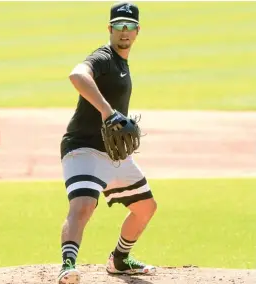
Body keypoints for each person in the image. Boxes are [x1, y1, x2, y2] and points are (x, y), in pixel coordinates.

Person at [57, 2, 157, 283]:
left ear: (137, 31)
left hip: (112, 153)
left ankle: (120, 260)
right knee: (84, 204)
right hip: (83, 146)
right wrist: (108, 111)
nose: (124, 32)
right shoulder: (103, 57)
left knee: (145, 208)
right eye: (118, 26)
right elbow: (77, 75)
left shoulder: (122, 63)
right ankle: (68, 264)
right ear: (109, 29)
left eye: (129, 27)